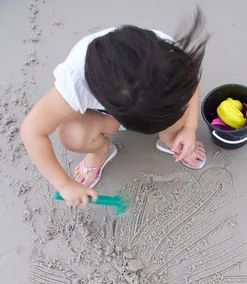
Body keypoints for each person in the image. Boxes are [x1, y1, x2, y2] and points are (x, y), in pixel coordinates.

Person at [20, 10, 209, 207]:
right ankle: (100, 151)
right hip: (103, 116)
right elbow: (31, 131)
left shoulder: (165, 56)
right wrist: (63, 184)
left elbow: (190, 85)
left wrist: (189, 128)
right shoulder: (75, 80)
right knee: (72, 134)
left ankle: (171, 138)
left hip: (148, 104)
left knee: (177, 104)